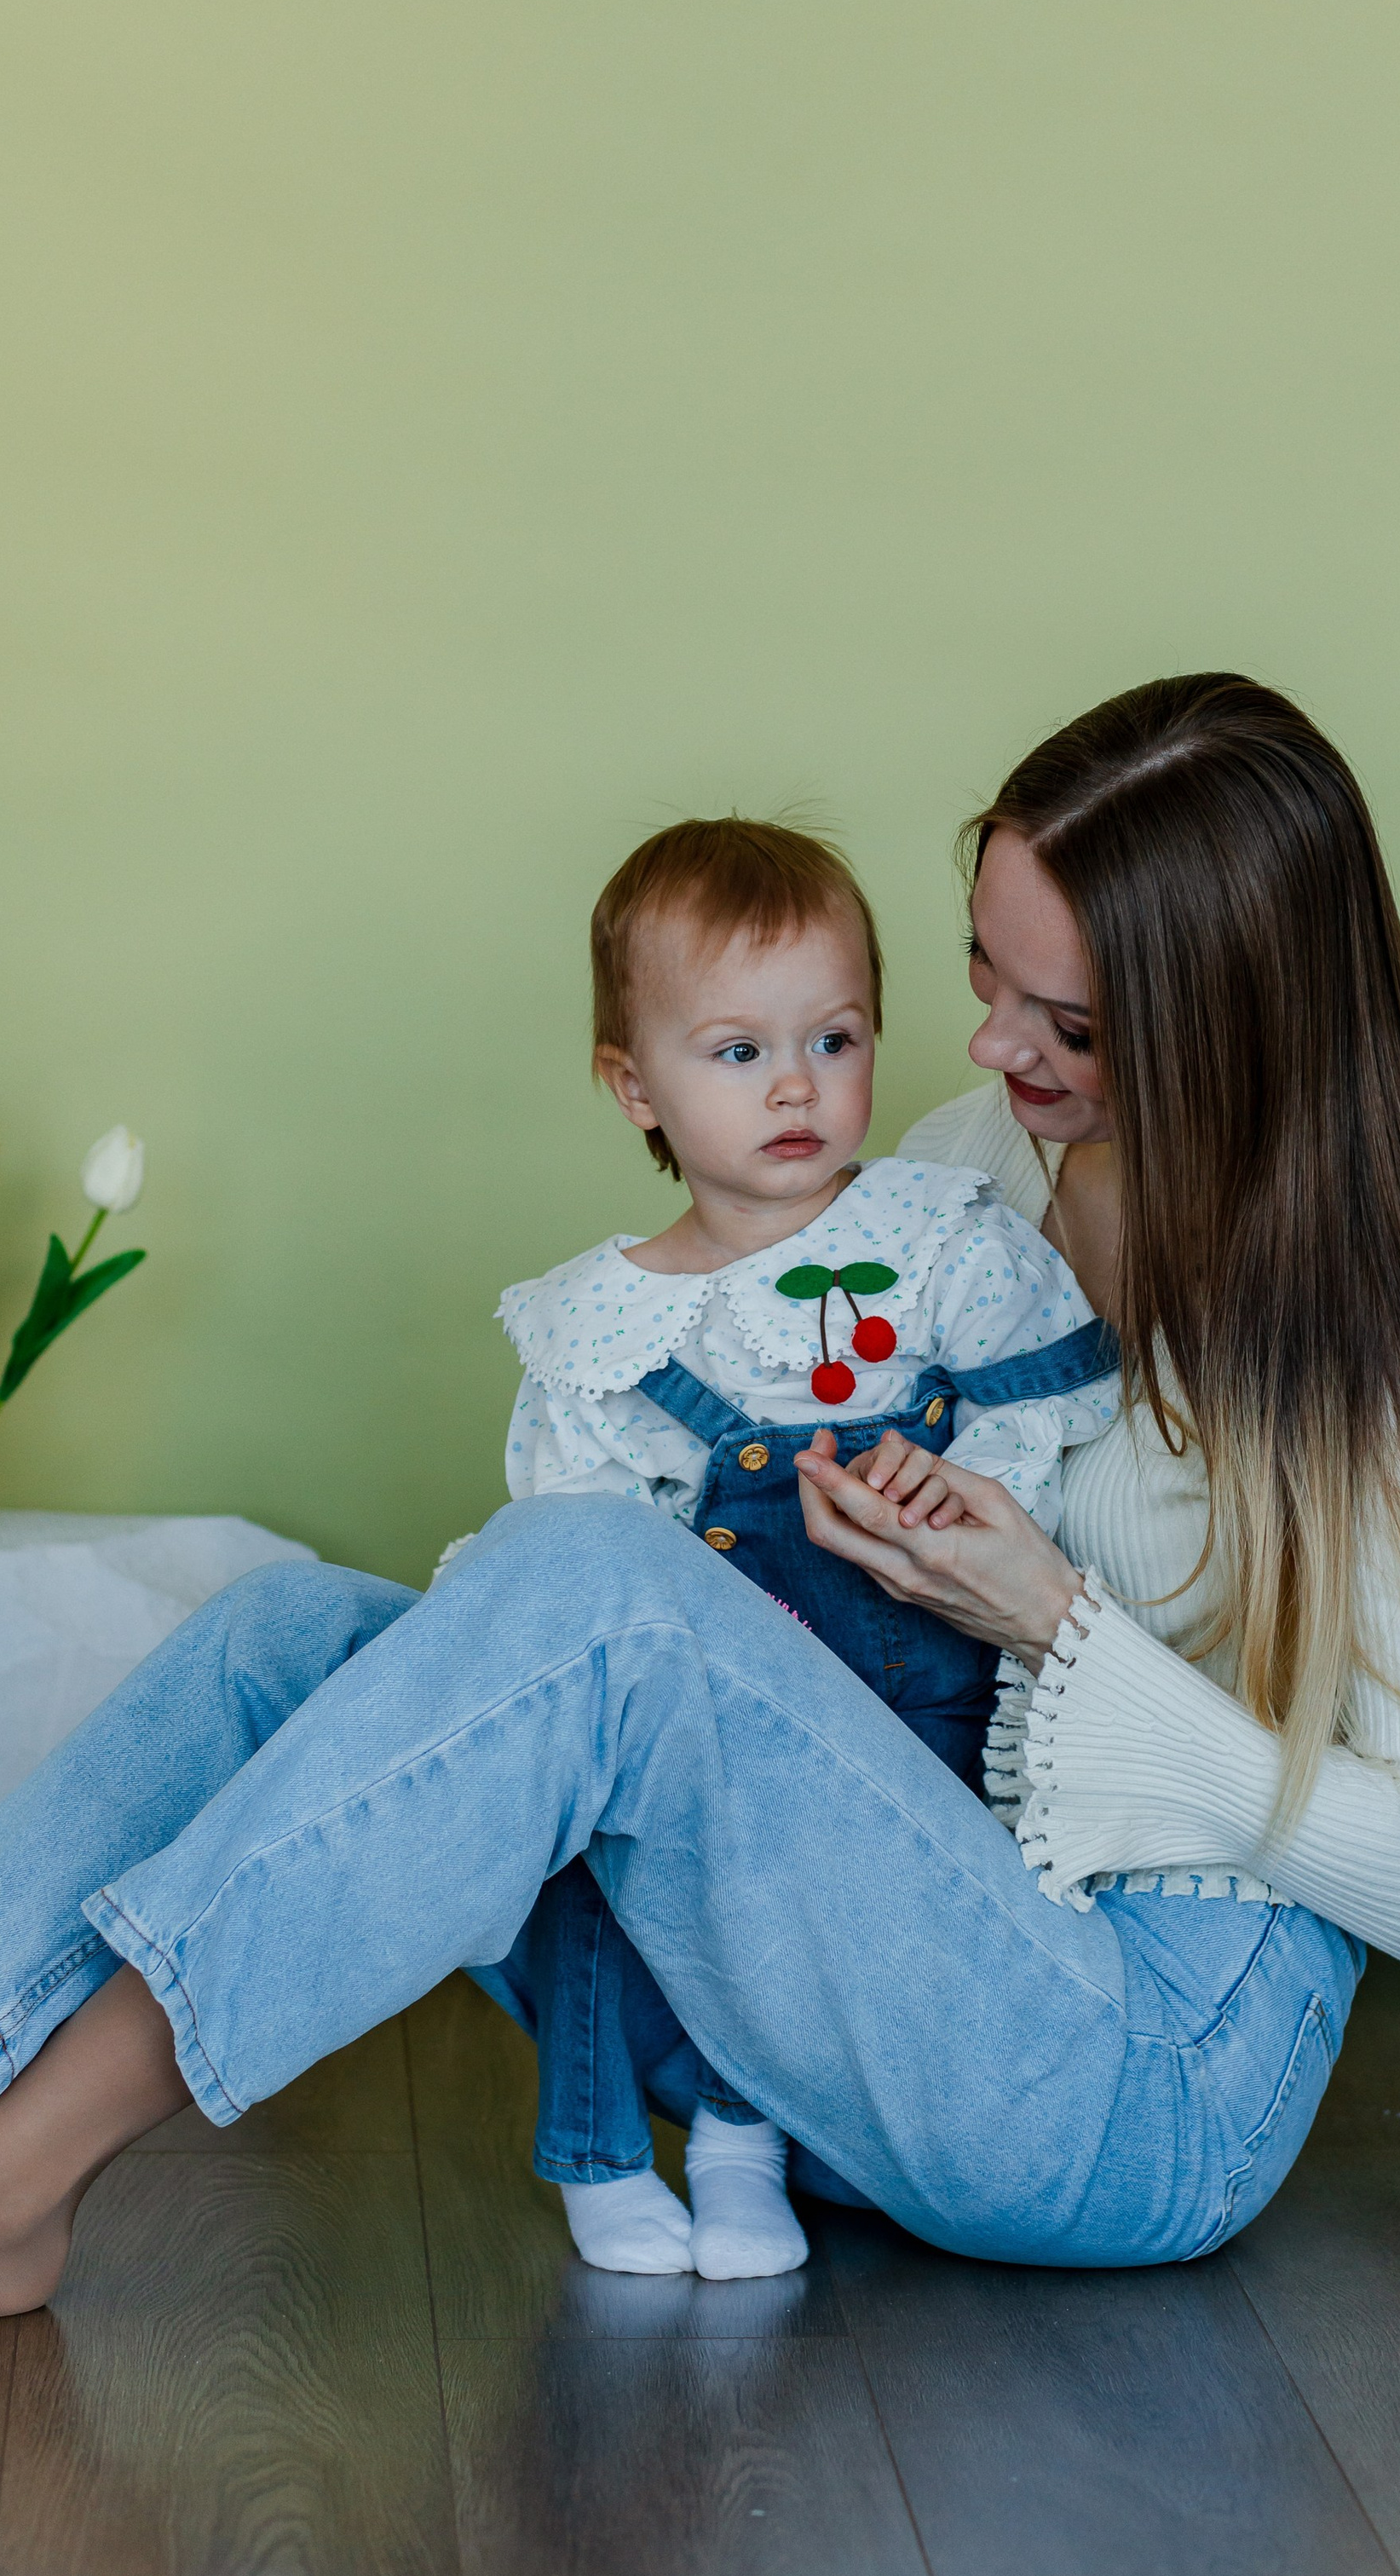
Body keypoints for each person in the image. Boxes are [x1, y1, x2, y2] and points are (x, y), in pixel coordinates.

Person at [0, 673, 1400, 2383]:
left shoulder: (1383, 1364)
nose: (990, 1043)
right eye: (977, 972)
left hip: (1137, 2086)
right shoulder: (970, 1169)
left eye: (1064, 1021)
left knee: (598, 1600)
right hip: (868, 2009)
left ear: (1228, 1032)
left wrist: (1058, 1628)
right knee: (294, 1636)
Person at [478, 815, 1117, 2279]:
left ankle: (747, 2146)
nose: (795, 1089)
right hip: (701, 1697)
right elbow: (569, 1557)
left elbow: (1054, 1399)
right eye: (736, 1053)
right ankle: (593, 2150)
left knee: (805, 1929)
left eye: (833, 1042)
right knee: (619, 1875)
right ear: (633, 1086)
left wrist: (953, 1483)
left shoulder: (935, 1234)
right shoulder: (610, 1326)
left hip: (906, 1703)